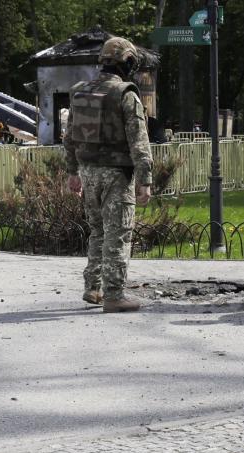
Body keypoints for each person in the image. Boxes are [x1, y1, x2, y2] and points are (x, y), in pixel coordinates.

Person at [64, 36, 153, 312]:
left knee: (98, 231)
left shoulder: (80, 91)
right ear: (126, 62)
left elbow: (69, 137)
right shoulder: (125, 93)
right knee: (119, 234)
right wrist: (145, 180)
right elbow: (139, 141)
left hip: (89, 172)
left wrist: (72, 172)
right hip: (117, 174)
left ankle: (93, 287)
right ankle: (114, 295)